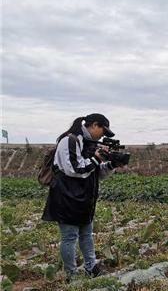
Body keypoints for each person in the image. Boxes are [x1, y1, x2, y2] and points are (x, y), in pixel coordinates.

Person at [42, 113, 122, 282]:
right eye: (102, 130)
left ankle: (91, 268)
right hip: (66, 197)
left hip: (85, 198)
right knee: (69, 237)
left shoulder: (90, 144)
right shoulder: (70, 140)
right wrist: (96, 158)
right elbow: (75, 168)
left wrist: (112, 164)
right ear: (93, 125)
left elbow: (97, 173)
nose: (102, 135)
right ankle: (71, 275)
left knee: (87, 234)